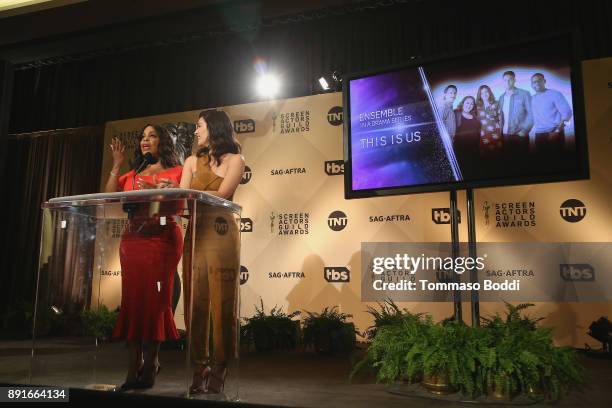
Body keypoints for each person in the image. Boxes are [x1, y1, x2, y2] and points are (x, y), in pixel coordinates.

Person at [105, 124, 183, 390]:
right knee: (134, 303)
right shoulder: (135, 172)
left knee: (156, 302)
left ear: (163, 142)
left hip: (162, 240)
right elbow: (109, 196)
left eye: (152, 135)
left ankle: (151, 362)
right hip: (134, 241)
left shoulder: (178, 171)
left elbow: (182, 205)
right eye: (142, 136)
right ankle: (132, 365)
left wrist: (173, 187)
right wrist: (116, 165)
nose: (145, 140)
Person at [179, 109, 245, 394]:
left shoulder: (236, 160)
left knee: (223, 300)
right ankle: (199, 365)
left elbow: (225, 194)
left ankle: (220, 364)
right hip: (196, 233)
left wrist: (194, 196)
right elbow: (182, 199)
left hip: (222, 233)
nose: (196, 132)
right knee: (196, 301)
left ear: (214, 128)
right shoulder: (191, 161)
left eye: (200, 126)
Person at [530, 73, 573, 160]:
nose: (536, 83)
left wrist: (557, 131)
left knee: (557, 161)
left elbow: (568, 113)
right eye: (534, 82)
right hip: (539, 134)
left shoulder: (555, 94)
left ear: (544, 81)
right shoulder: (532, 98)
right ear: (531, 85)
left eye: (539, 80)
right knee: (542, 162)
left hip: (554, 132)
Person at [498, 71, 533, 170]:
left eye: (510, 79)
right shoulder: (501, 97)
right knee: (507, 166)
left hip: (520, 136)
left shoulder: (524, 94)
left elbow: (532, 114)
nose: (508, 82)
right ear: (503, 82)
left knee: (522, 166)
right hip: (504, 136)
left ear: (514, 80)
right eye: (505, 80)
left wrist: (525, 130)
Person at [453, 96, 481, 180]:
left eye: (471, 103)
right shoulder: (455, 114)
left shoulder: (475, 117)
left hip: (474, 154)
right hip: (459, 154)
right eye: (467, 103)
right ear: (463, 103)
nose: (469, 105)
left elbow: (477, 135)